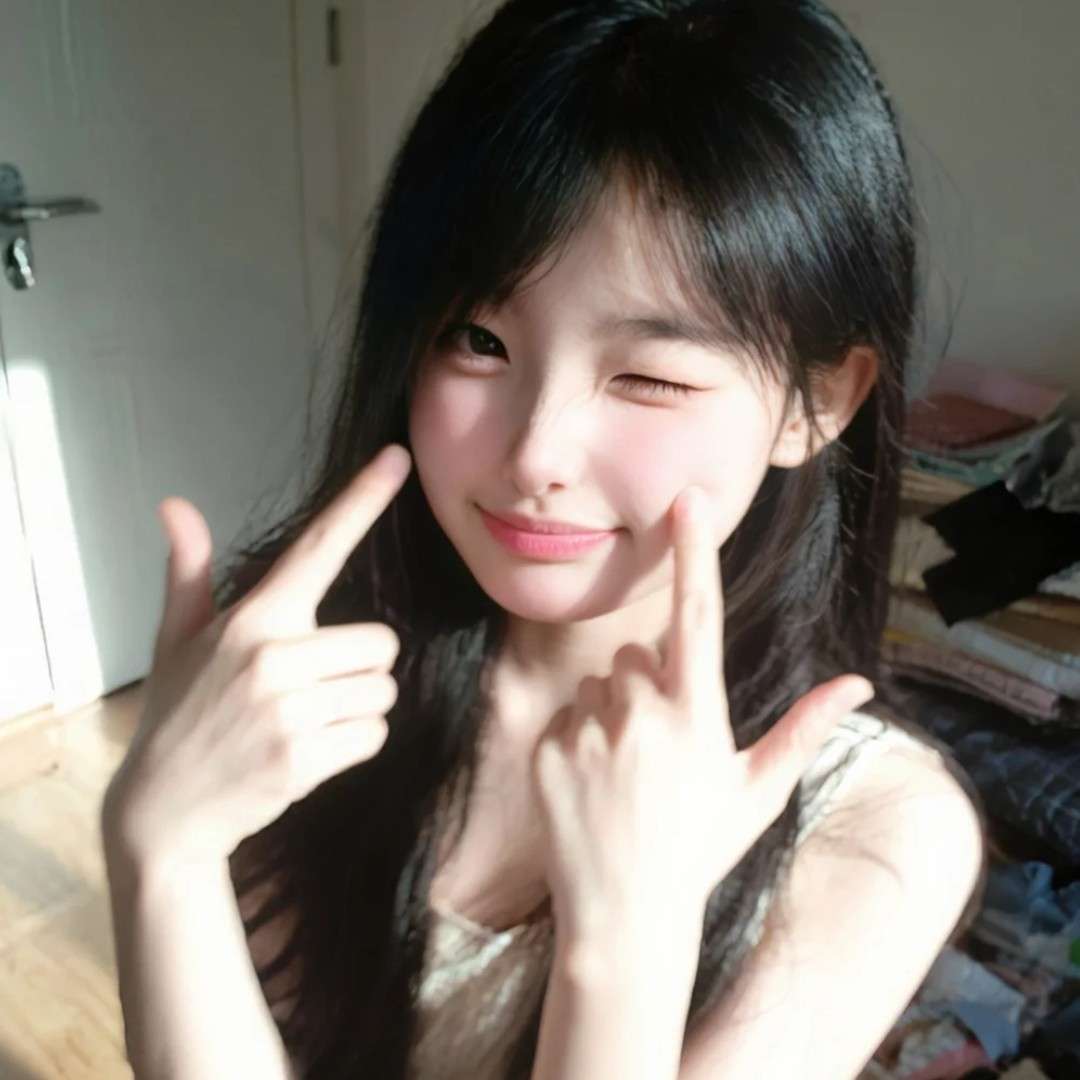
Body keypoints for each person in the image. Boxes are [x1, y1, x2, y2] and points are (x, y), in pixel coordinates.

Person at [99, 1, 990, 1077]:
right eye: (478, 339)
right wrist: (159, 844)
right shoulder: (303, 678)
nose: (535, 454)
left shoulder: (881, 832)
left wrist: (625, 946)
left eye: (648, 376)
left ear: (820, 402)